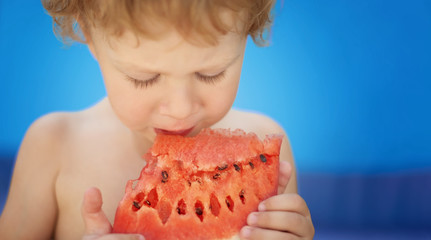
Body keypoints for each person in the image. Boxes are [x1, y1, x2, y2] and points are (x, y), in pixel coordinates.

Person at [0, 0, 315, 239]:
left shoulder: (268, 145)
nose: (180, 109)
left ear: (247, 33)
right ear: (91, 40)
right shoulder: (54, 147)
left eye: (211, 74)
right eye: (144, 78)